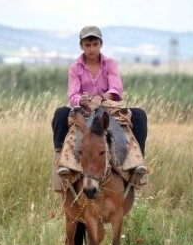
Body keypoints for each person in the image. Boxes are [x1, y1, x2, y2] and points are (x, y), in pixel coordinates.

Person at [51, 26, 147, 191]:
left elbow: (116, 89)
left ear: (100, 44)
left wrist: (100, 97)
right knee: (60, 114)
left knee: (139, 115)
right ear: (82, 46)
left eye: (95, 44)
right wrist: (82, 100)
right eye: (87, 45)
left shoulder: (109, 64)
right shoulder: (75, 68)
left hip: (108, 109)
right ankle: (61, 160)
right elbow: (72, 95)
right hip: (84, 111)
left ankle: (137, 163)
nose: (92, 49)